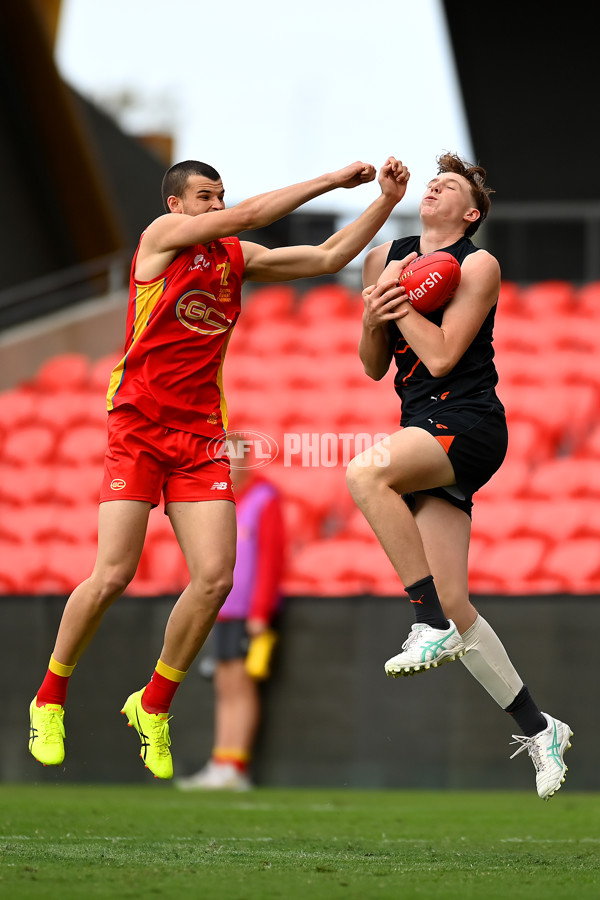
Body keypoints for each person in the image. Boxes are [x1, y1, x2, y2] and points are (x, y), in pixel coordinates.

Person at [28, 154, 410, 780]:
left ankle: (153, 705)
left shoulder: (236, 260)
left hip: (202, 437)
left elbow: (325, 259)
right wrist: (333, 180)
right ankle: (49, 695)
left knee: (215, 579)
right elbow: (255, 214)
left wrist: (383, 203)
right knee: (114, 573)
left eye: (220, 195)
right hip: (138, 428)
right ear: (176, 206)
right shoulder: (160, 239)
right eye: (206, 197)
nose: (217, 205)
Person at [345, 152, 573, 801]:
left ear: (470, 211)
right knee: (455, 599)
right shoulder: (384, 259)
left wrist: (395, 307)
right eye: (434, 180)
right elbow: (371, 366)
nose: (436, 184)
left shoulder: (478, 263)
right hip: (421, 419)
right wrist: (373, 315)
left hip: (468, 420)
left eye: (454, 184)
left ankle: (426, 623)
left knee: (365, 473)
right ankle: (540, 727)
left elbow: (443, 356)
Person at [176, 443, 285, 791]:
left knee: (240, 686)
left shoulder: (264, 498)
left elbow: (271, 559)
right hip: (222, 611)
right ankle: (221, 761)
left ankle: (235, 765)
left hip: (246, 612)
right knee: (225, 685)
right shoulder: (223, 501)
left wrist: (259, 612)